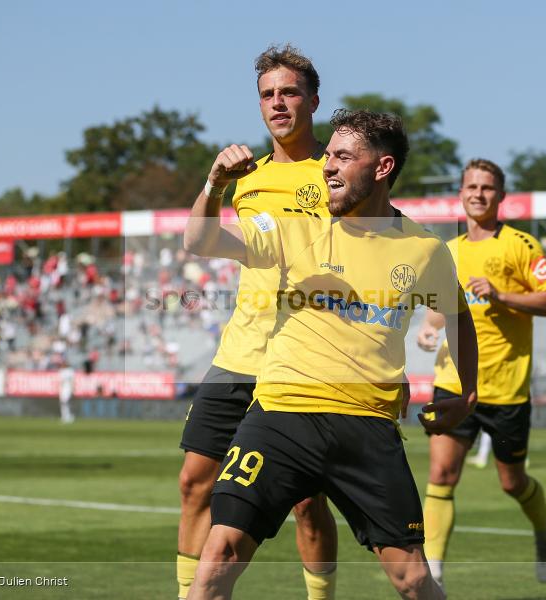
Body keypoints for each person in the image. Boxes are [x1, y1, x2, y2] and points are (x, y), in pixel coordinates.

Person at [184, 109, 479, 600]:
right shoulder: (294, 228)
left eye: (343, 156)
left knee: (411, 577)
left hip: (366, 424)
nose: (327, 166)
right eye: (327, 156)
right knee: (220, 555)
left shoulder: (425, 250)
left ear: (381, 168)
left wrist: (468, 392)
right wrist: (214, 184)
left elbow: (459, 316)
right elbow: (200, 240)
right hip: (281, 414)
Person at [175, 44, 338, 600]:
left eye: (289, 91)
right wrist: (214, 182)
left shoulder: (339, 172)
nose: (278, 103)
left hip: (305, 361)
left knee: (307, 504)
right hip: (239, 353)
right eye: (268, 94)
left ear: (314, 100)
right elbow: (198, 242)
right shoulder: (245, 179)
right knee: (195, 484)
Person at [417, 158, 546, 588]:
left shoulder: (522, 246)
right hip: (455, 380)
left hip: (507, 389)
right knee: (441, 475)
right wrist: (430, 327)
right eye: (471, 187)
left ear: (501, 196)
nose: (478, 194)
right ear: (460, 195)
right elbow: (441, 308)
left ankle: (543, 529)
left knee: (511, 482)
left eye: (487, 188)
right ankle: (435, 576)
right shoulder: (448, 252)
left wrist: (501, 294)